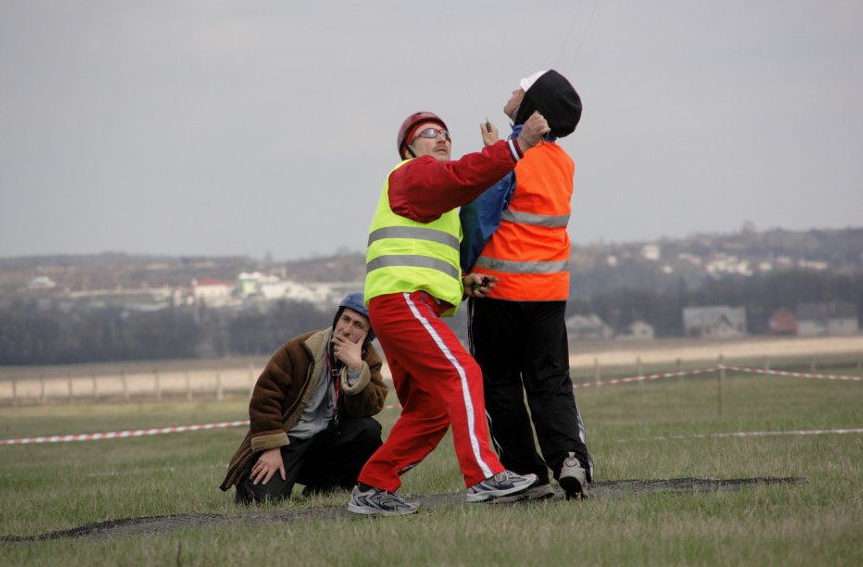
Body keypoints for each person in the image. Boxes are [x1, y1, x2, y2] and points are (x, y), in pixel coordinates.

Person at [346, 109, 551, 516]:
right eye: (428, 134)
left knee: (431, 410)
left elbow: (423, 256)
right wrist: (516, 146)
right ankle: (483, 477)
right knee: (463, 372)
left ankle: (372, 487)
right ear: (409, 150)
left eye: (445, 134)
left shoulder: (433, 196)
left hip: (402, 304)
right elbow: (460, 178)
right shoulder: (412, 174)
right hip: (402, 302)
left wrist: (461, 283)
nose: (441, 139)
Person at [464, 69, 594, 500]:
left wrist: (459, 274)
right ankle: (570, 458)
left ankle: (525, 472)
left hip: (496, 292)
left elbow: (481, 218)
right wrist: (497, 150)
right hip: (549, 294)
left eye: (520, 86)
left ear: (532, 105)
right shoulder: (564, 163)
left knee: (498, 384)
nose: (512, 90)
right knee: (551, 381)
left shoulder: (510, 157)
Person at [220, 293, 388, 503]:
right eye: (345, 319)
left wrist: (356, 369)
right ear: (337, 319)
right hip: (288, 440)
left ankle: (325, 487)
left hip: (326, 441)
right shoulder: (301, 348)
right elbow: (265, 397)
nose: (347, 329)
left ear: (368, 334)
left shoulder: (368, 360)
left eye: (358, 325)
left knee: (368, 430)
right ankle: (254, 484)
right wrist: (271, 446)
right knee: (258, 502)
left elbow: (370, 407)